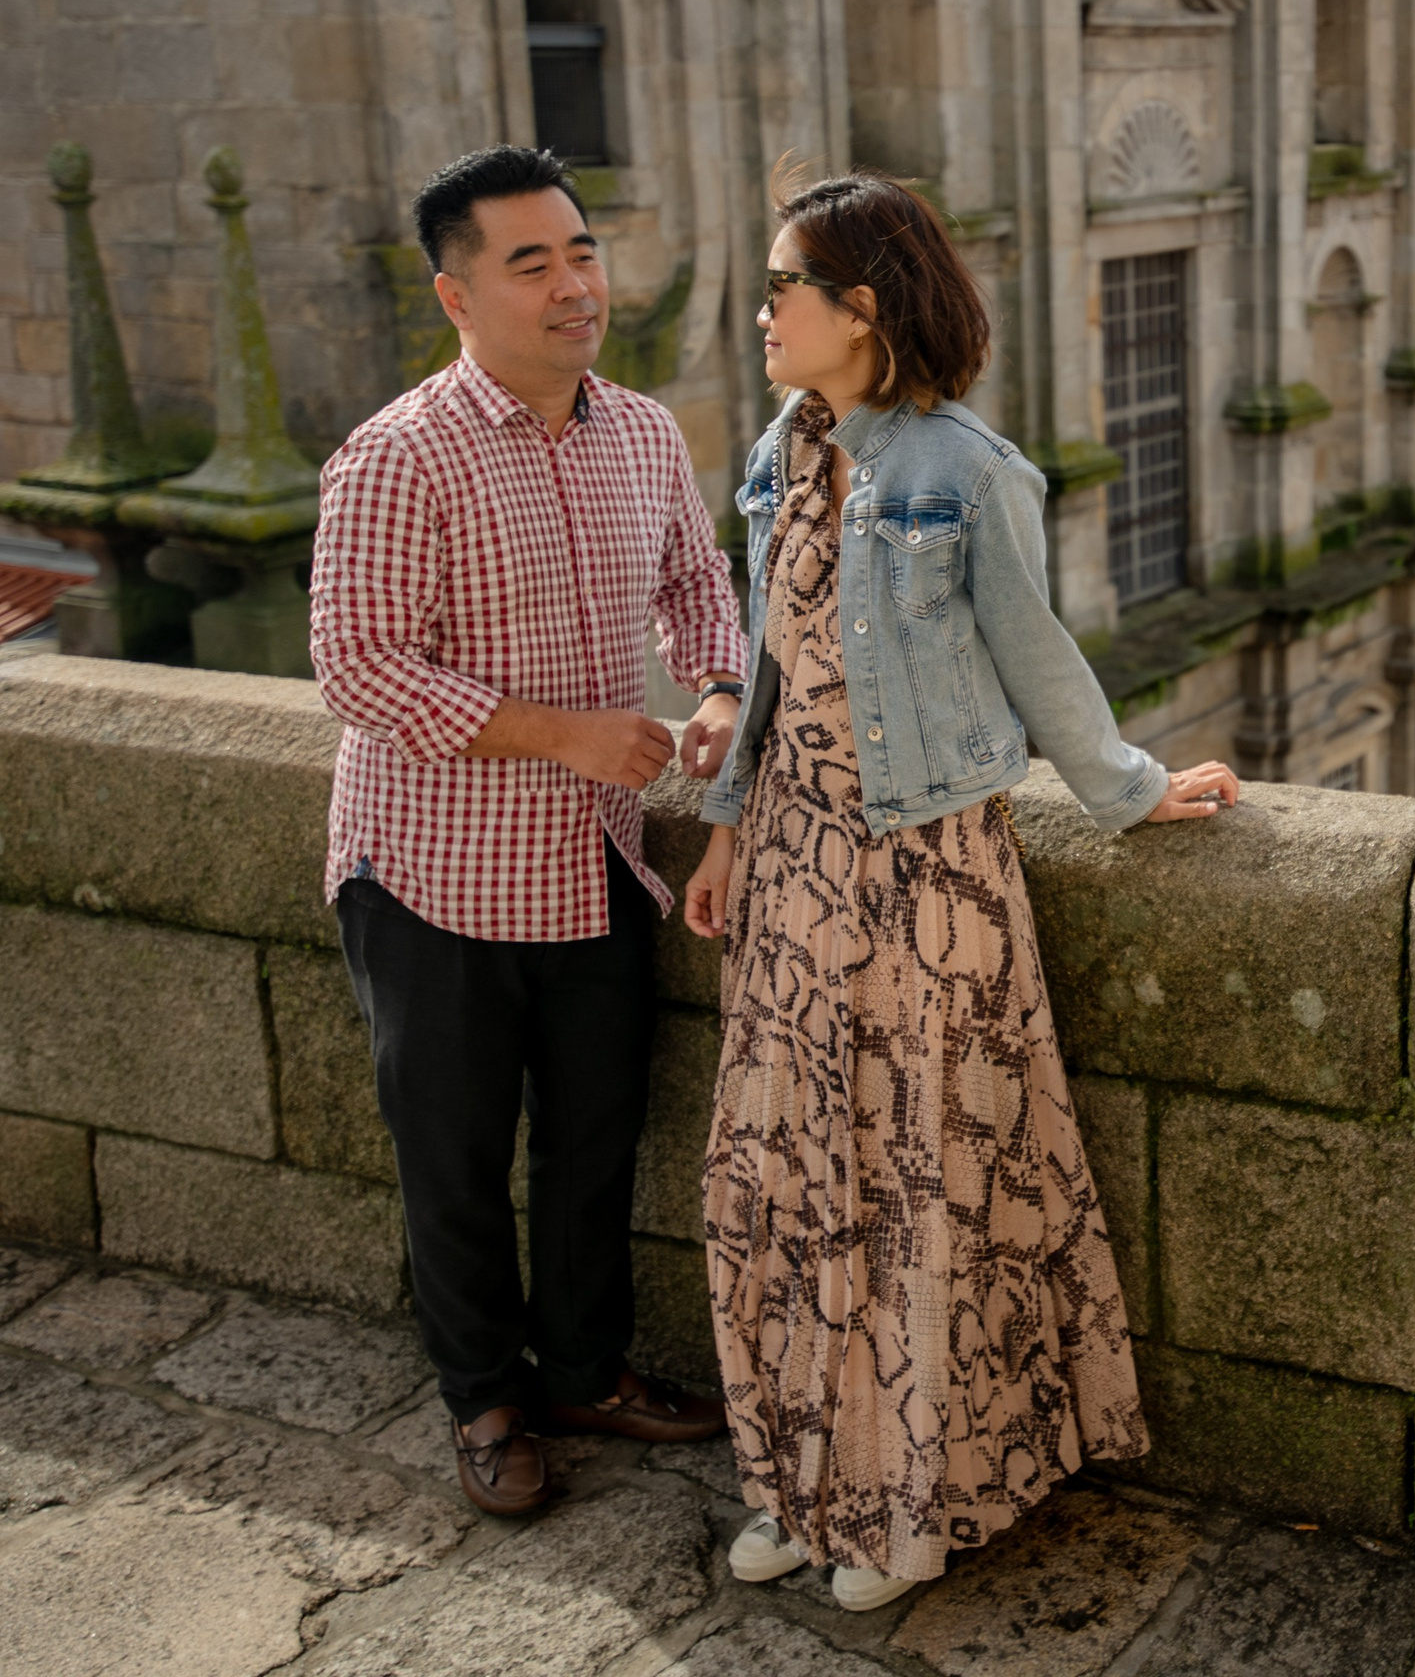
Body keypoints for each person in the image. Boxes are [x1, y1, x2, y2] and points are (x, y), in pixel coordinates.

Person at [682, 169, 1239, 1612]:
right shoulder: (782, 454)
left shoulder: (966, 471)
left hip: (924, 875)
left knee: (912, 1195)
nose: (762, 312)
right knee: (783, 1183)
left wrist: (1131, 787)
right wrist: (729, 828)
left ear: (862, 308)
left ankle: (914, 1507)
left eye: (783, 287)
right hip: (795, 868)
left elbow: (1038, 655)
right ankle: (807, 1481)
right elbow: (765, 667)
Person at [310, 146, 751, 1517]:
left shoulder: (644, 432)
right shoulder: (397, 456)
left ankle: (585, 1371)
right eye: (532, 264)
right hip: (430, 873)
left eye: (582, 253)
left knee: (593, 1143)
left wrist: (720, 690)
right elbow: (357, 667)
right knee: (450, 1160)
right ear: (457, 295)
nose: (575, 286)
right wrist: (565, 734)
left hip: (593, 860)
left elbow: (698, 582)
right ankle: (484, 1399)